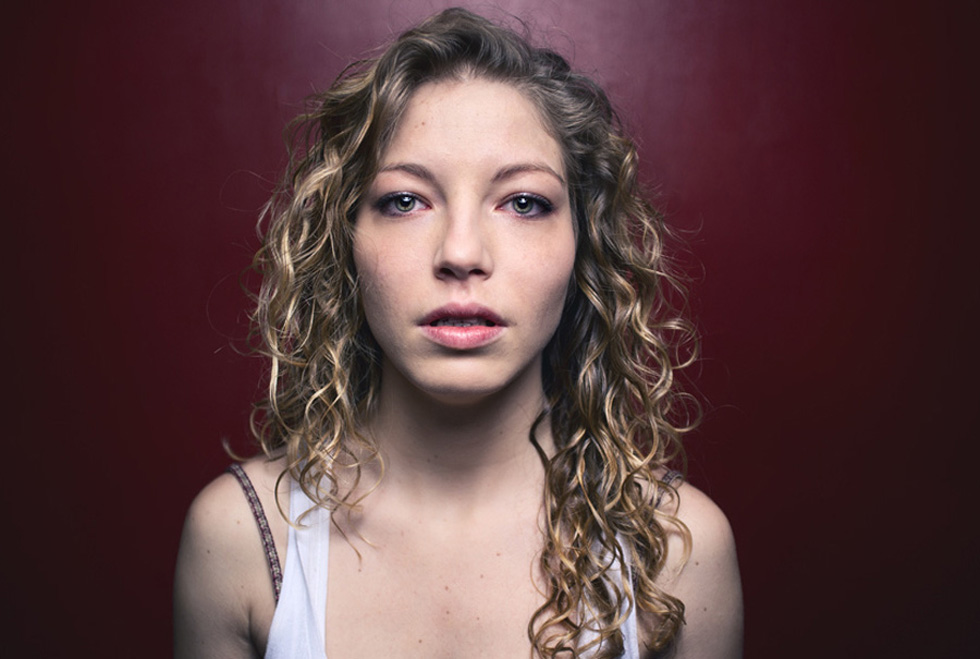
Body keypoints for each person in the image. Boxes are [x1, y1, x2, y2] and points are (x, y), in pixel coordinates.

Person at [174, 7, 742, 658]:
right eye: (406, 200)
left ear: (582, 244)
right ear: (345, 242)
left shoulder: (676, 551)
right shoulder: (242, 541)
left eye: (523, 202)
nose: (461, 253)